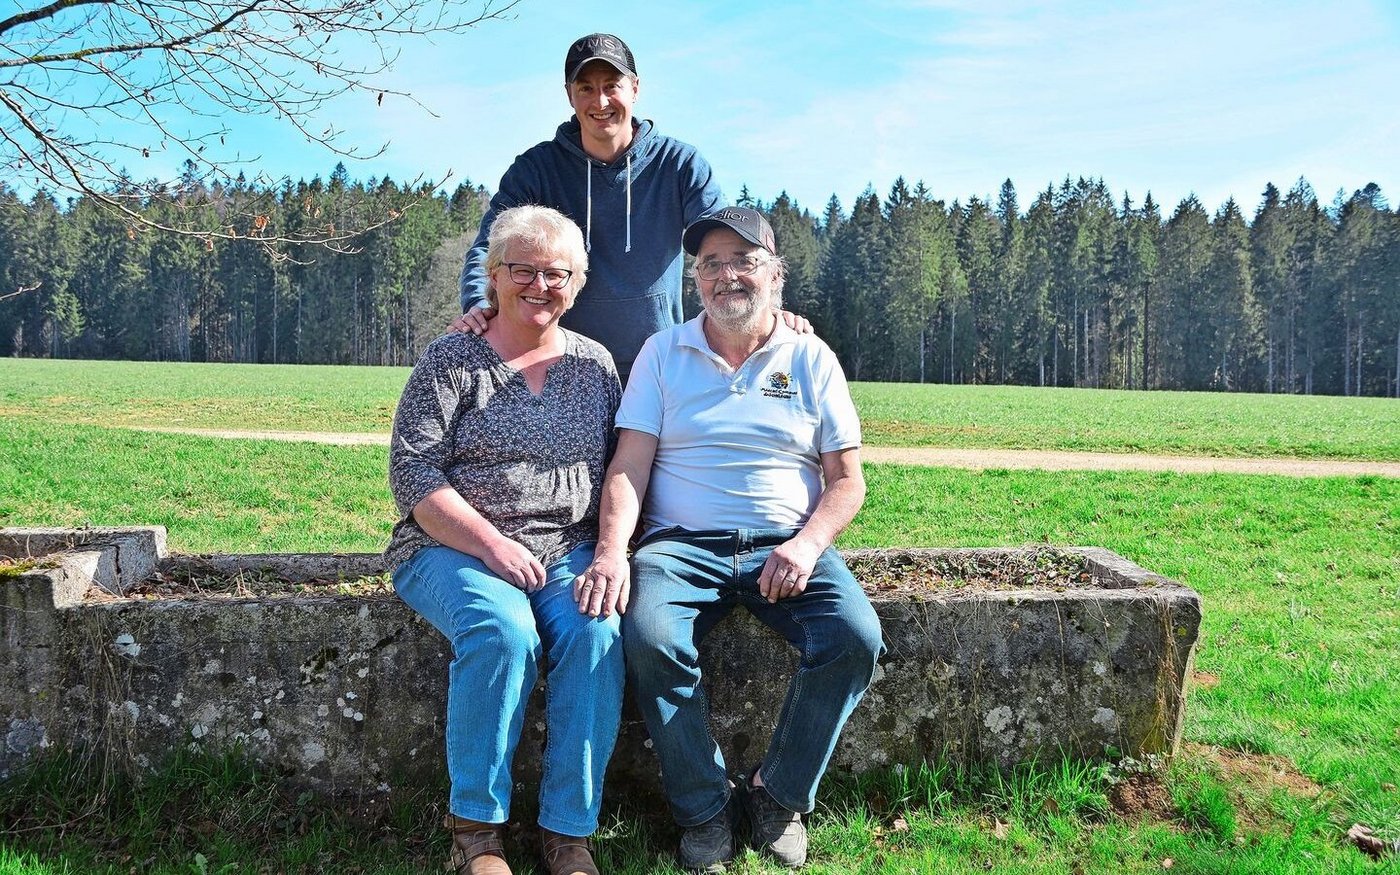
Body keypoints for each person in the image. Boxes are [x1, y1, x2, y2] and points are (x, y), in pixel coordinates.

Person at [574, 207, 884, 872]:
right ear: (696, 281)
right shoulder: (665, 353)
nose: (726, 275)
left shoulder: (811, 357)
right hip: (681, 548)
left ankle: (778, 794)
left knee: (854, 635)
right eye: (710, 264)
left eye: (744, 260)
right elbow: (629, 466)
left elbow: (847, 481)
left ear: (775, 274)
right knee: (651, 636)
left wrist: (805, 545)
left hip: (787, 544)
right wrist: (610, 551)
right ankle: (704, 807)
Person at [386, 205, 626, 875]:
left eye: (557, 273)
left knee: (596, 630)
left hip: (565, 547)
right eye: (523, 270)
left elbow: (617, 471)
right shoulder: (453, 358)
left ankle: (568, 833)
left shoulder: (596, 366)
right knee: (502, 631)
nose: (540, 285)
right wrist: (491, 544)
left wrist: (608, 550)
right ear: (493, 276)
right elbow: (412, 471)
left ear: (577, 283)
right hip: (450, 547)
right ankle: (476, 833)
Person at [452, 32, 723, 382]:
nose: (600, 101)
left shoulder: (680, 164)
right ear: (569, 94)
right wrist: (479, 306)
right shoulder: (536, 169)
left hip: (659, 367)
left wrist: (768, 316)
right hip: (563, 365)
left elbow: (723, 248)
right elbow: (491, 246)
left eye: (612, 85)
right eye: (585, 88)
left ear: (635, 88)